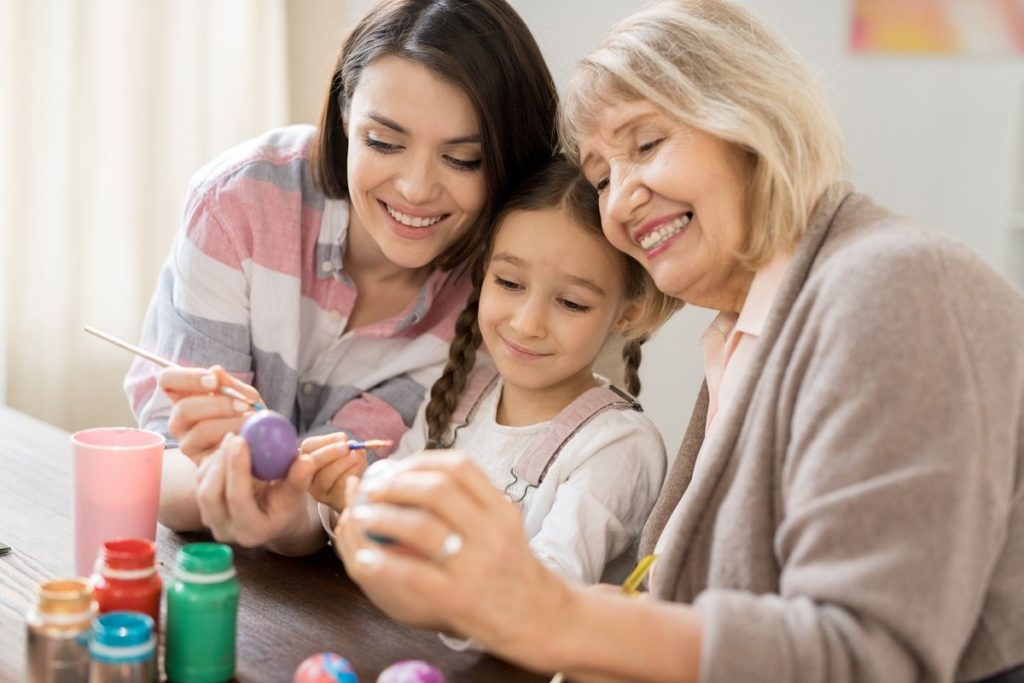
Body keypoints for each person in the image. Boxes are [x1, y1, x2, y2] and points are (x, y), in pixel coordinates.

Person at [332, 1, 1024, 681]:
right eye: (602, 176)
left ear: (750, 117)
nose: (621, 199)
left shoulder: (892, 283)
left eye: (647, 144)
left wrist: (551, 613)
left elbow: (861, 656)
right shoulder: (743, 337)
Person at [123, 0, 557, 556]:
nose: (416, 189)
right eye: (384, 142)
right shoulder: (241, 201)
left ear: (507, 161)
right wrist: (230, 487)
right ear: (346, 115)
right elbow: (161, 458)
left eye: (463, 159)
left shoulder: (501, 306)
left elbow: (338, 498)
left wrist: (287, 517)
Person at [309, 156, 679, 585]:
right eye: (509, 283)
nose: (527, 323)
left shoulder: (618, 447)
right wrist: (351, 497)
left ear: (625, 315)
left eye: (572, 303)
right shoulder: (462, 390)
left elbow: (550, 593)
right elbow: (391, 522)